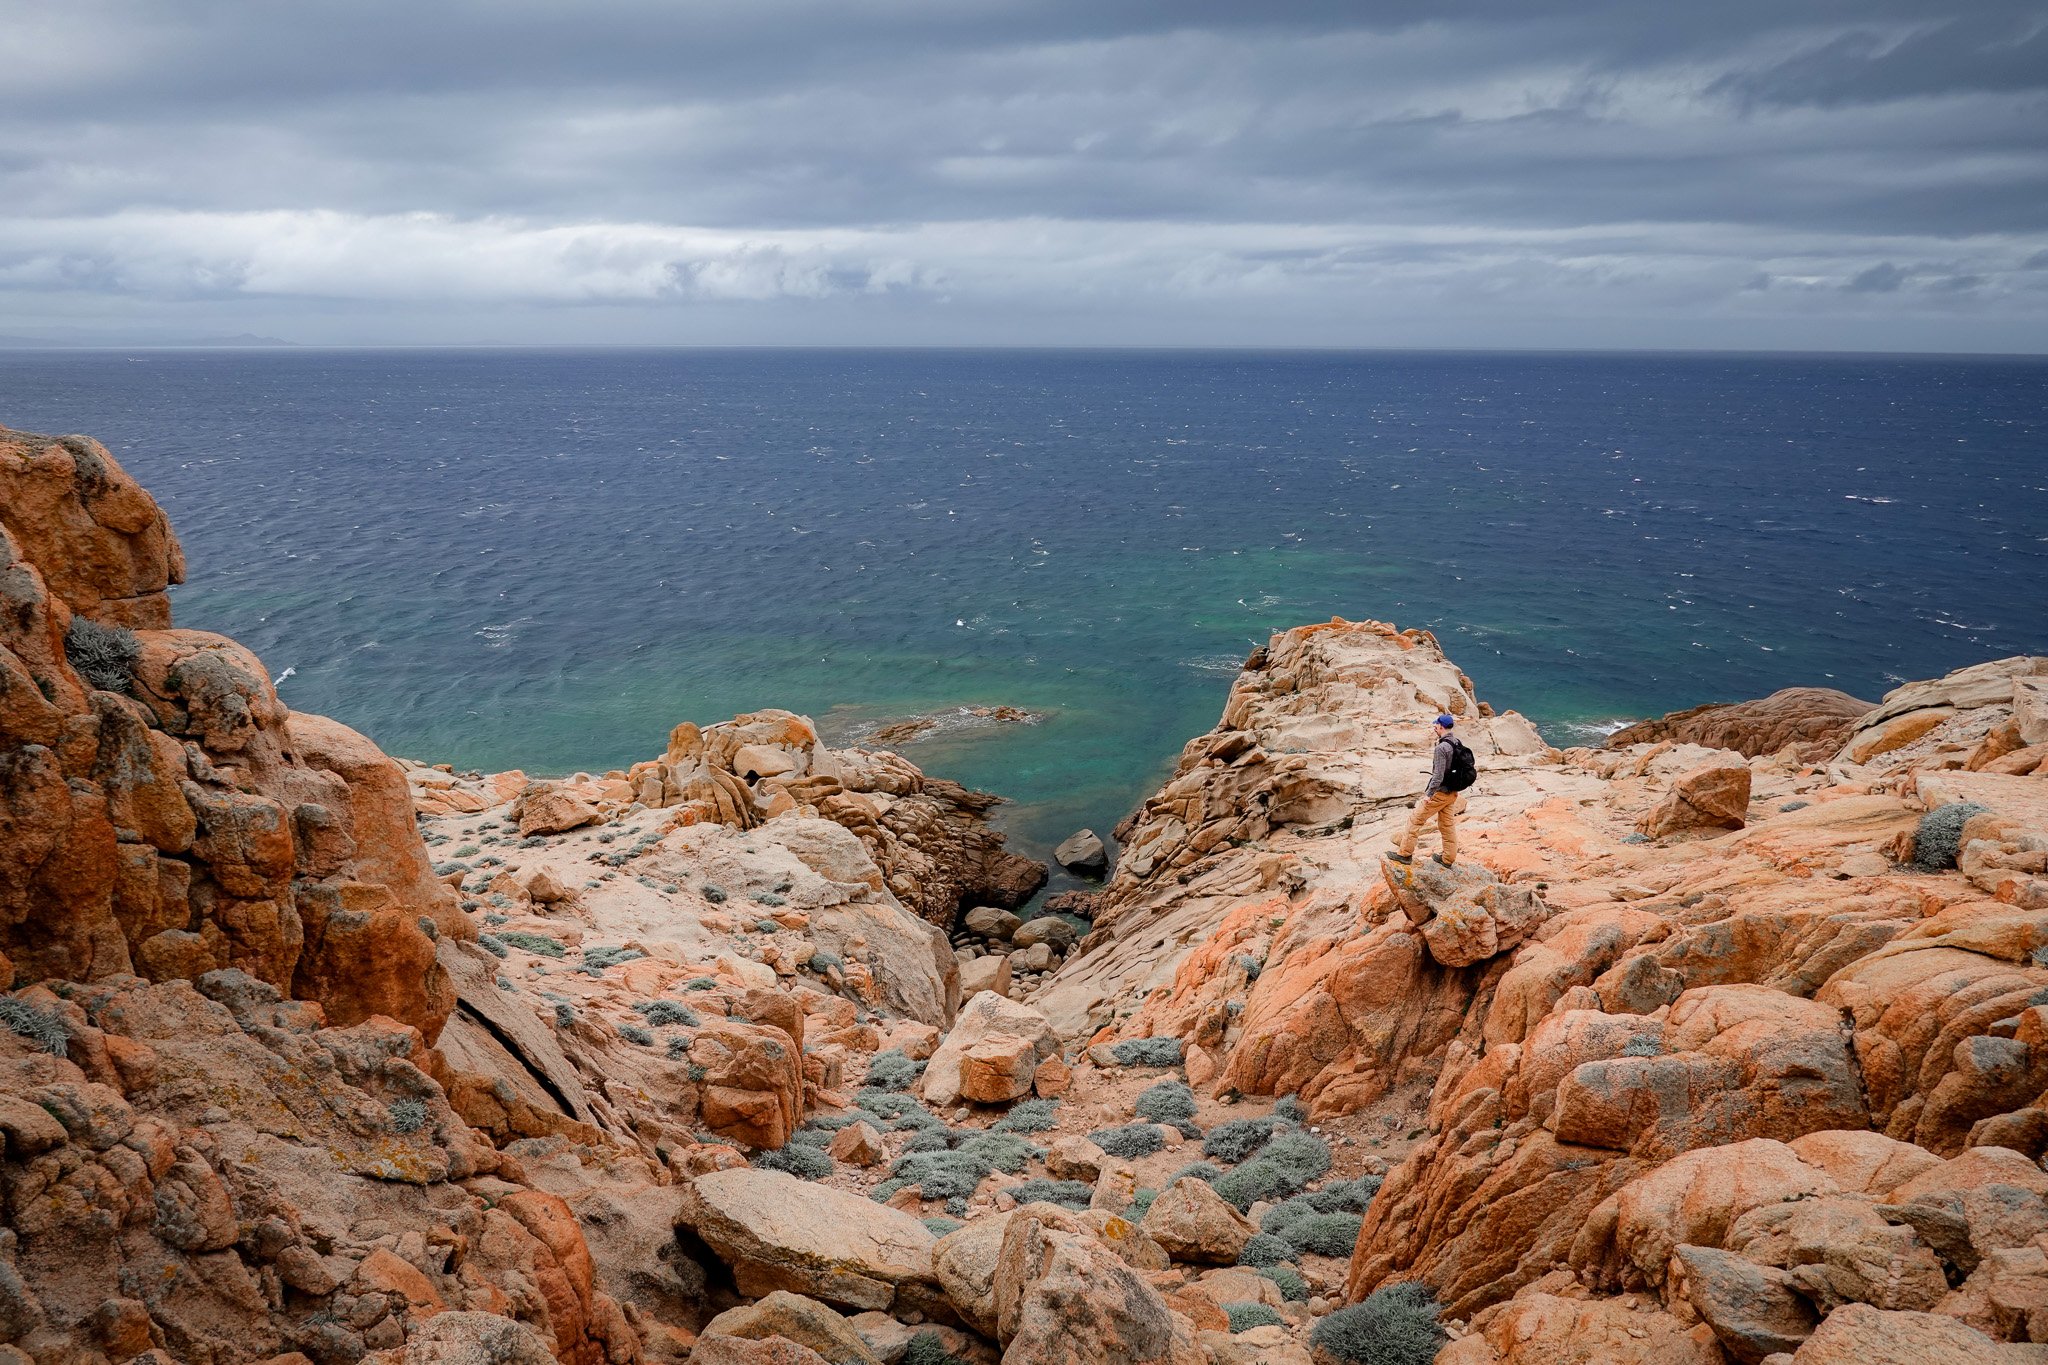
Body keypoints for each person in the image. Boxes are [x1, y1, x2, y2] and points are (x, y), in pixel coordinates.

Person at [1389, 714, 1461, 867]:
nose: (1434, 727)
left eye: (1436, 725)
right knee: (1447, 826)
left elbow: (1438, 775)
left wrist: (1428, 795)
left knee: (1415, 820)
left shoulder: (1442, 748)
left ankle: (1404, 854)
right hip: (1452, 793)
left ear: (1441, 726)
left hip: (1440, 793)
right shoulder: (1456, 742)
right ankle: (1448, 859)